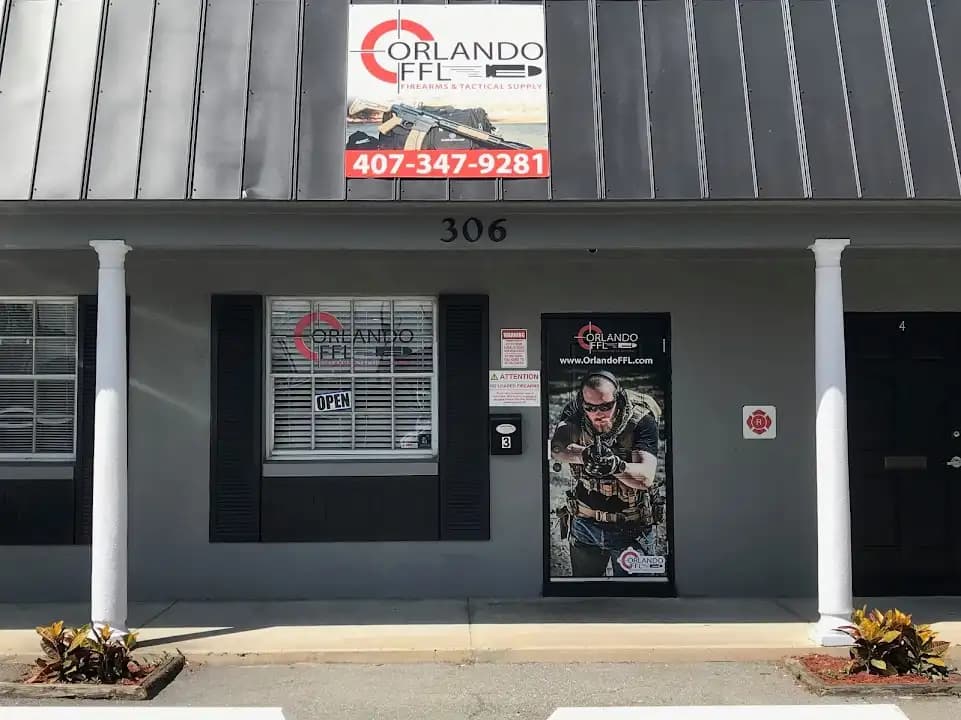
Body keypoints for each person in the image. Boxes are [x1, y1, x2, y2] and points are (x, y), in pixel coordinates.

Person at [550, 370, 662, 577]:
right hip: (585, 524)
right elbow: (557, 448)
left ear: (617, 399)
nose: (597, 413)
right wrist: (586, 455)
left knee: (637, 599)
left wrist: (615, 466)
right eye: (590, 408)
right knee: (585, 595)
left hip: (631, 528)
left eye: (605, 406)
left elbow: (645, 477)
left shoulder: (641, 420)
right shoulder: (576, 413)